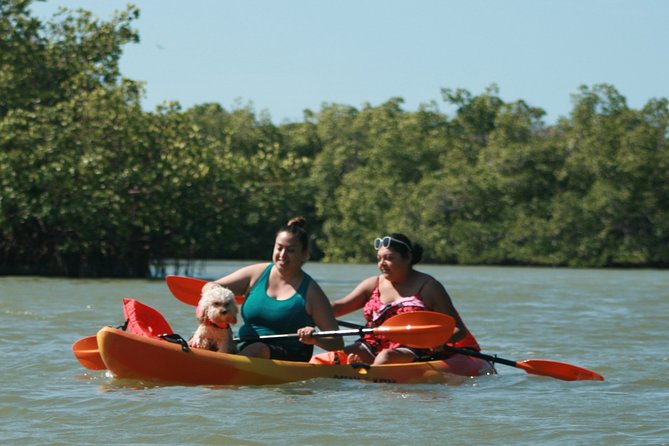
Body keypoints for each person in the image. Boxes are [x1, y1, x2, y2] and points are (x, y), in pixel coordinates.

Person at [203, 217, 343, 361]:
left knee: (258, 348)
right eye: (279, 248)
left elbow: (337, 342)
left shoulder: (313, 293)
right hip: (243, 345)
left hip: (288, 356)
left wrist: (316, 339)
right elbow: (210, 286)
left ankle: (225, 368)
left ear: (304, 254)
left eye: (290, 250)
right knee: (202, 344)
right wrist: (210, 300)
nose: (282, 255)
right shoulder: (256, 273)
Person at [330, 233, 480, 365]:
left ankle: (368, 383)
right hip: (374, 345)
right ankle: (358, 371)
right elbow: (337, 308)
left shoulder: (430, 287)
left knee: (386, 356)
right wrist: (310, 309)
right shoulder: (372, 284)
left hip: (417, 347)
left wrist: (440, 340)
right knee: (346, 352)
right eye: (379, 259)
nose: (382, 264)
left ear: (407, 258)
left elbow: (458, 330)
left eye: (389, 258)